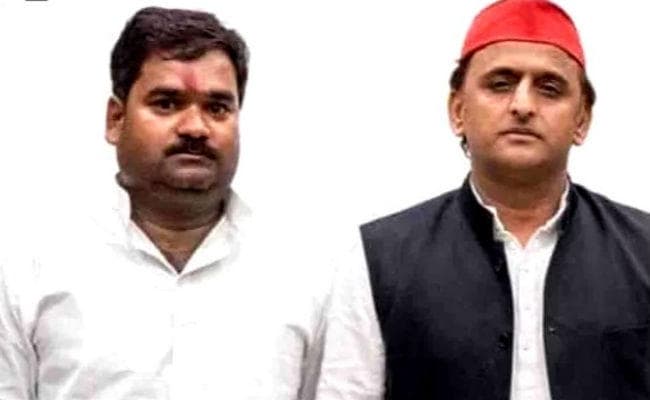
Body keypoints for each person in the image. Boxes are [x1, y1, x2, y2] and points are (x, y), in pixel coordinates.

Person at [315, 0, 650, 399]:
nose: (523, 106)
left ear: (582, 119)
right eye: (500, 84)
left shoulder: (643, 250)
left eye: (549, 88)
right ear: (458, 110)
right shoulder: (378, 258)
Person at [0, 7, 330, 399]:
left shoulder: (303, 274)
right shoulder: (30, 265)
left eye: (217, 108)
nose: (195, 127)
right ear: (116, 119)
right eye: (167, 103)